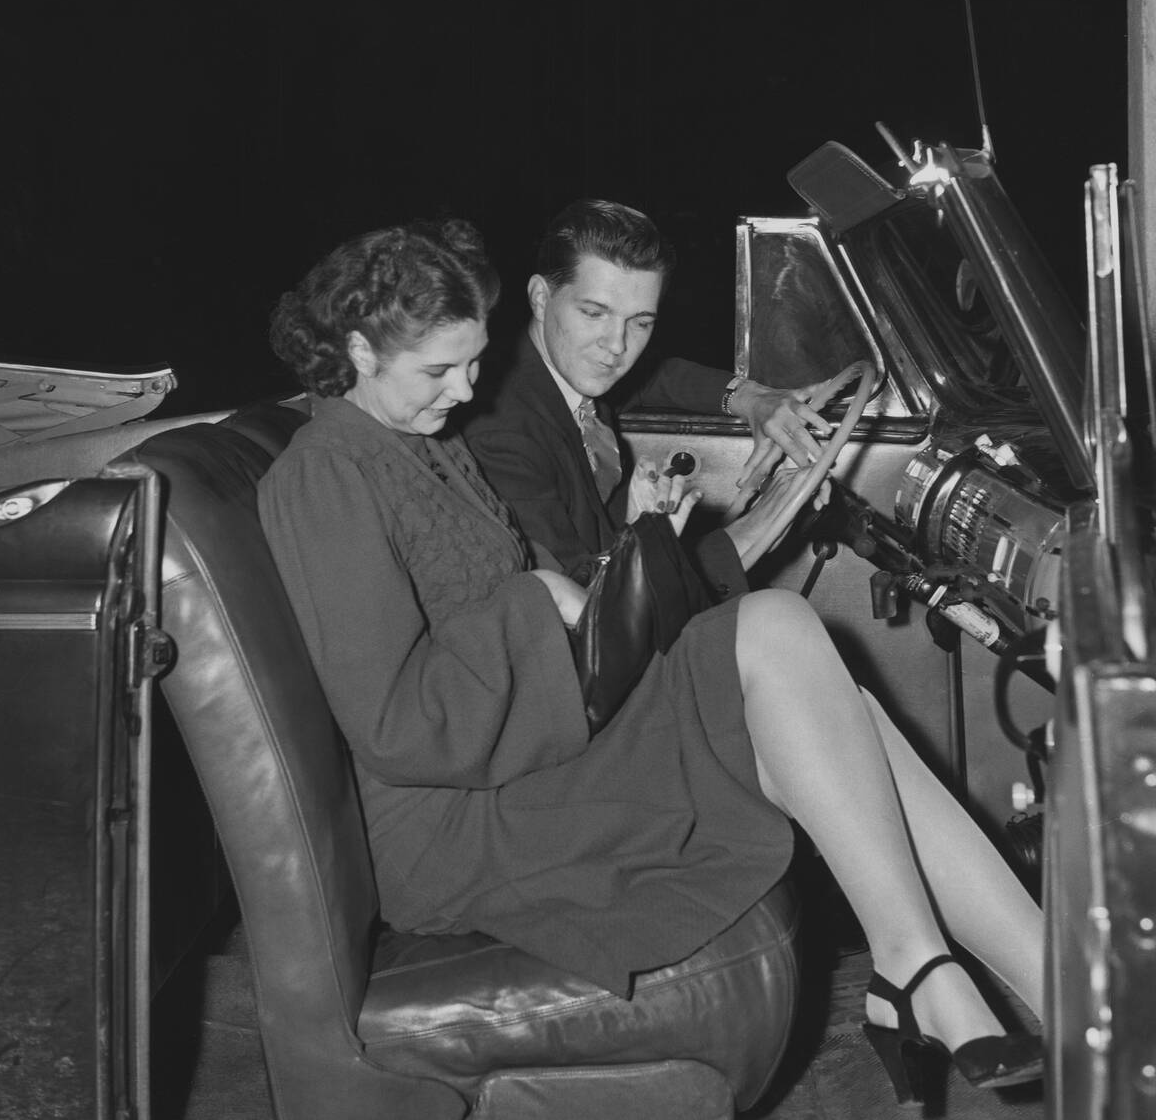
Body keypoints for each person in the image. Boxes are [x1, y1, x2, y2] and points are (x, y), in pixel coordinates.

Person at [257, 218, 1044, 1107]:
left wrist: (576, 586)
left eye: (474, 362)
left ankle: (1014, 971)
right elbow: (397, 727)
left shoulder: (420, 439)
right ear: (358, 350)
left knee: (808, 665)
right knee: (777, 631)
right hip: (461, 819)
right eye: (440, 371)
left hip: (527, 746)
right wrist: (541, 601)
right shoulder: (323, 477)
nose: (469, 388)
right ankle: (950, 971)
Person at [461, 198, 836, 590]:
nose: (617, 345)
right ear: (540, 298)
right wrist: (752, 531)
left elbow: (657, 376)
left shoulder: (567, 370)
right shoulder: (501, 433)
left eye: (640, 322)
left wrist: (753, 399)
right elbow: (578, 603)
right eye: (594, 313)